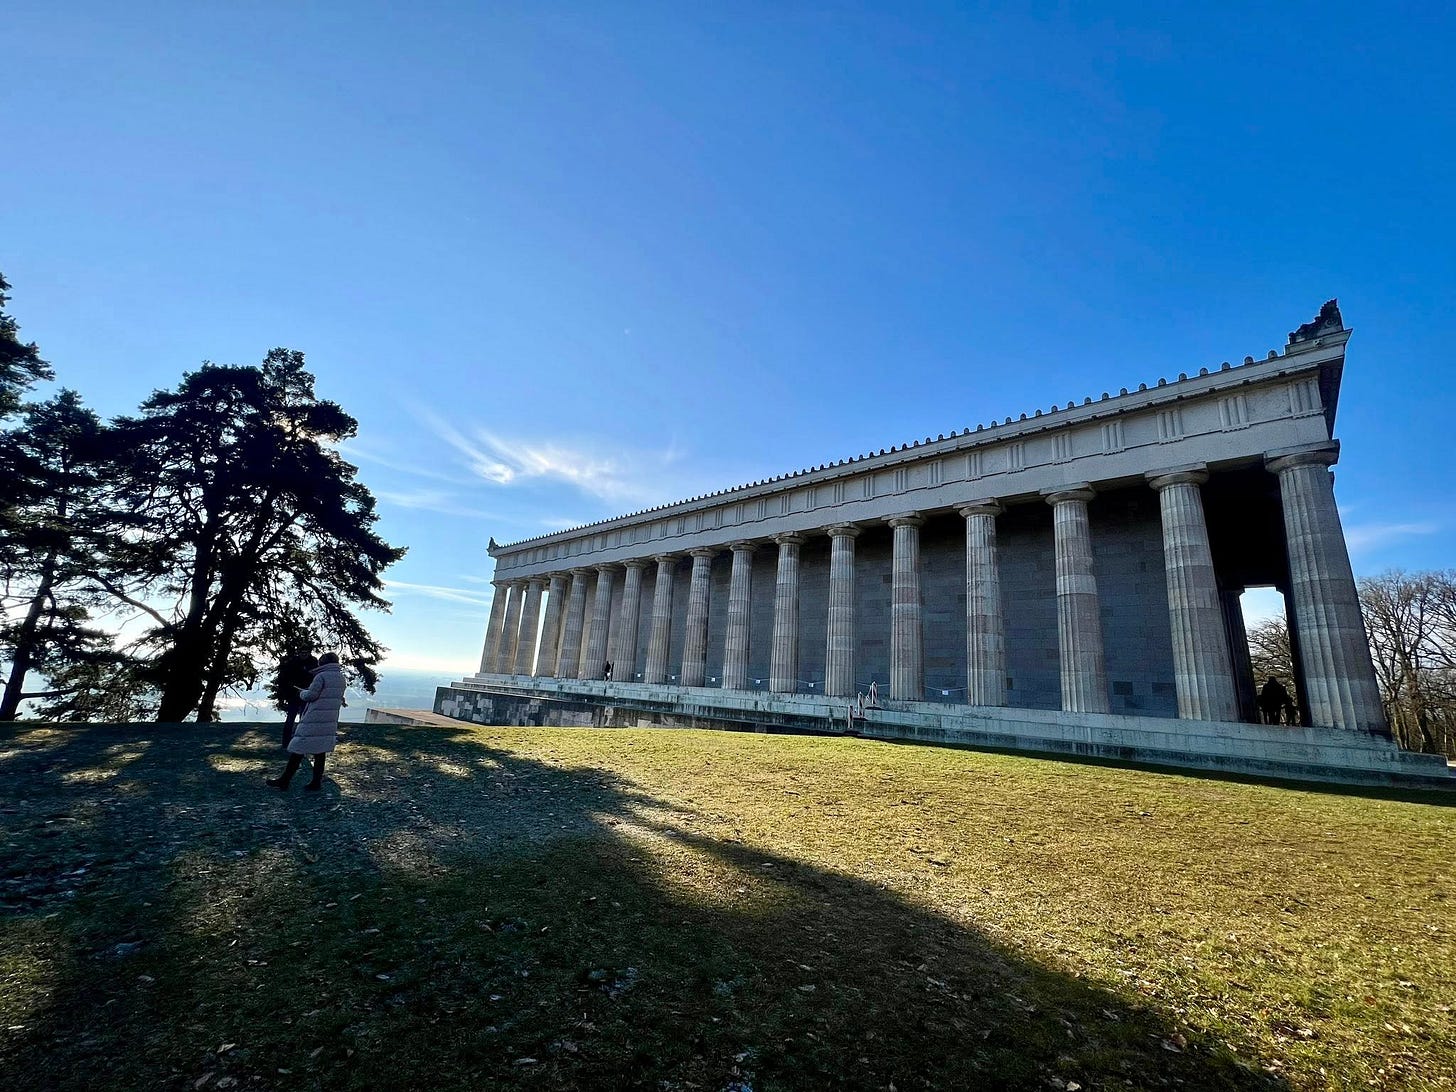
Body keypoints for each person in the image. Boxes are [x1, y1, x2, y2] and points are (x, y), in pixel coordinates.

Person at [267, 652, 346, 791]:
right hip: (329, 718)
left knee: (299, 747)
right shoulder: (340, 678)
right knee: (320, 751)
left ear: (324, 663)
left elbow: (311, 696)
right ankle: (316, 782)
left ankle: (284, 780)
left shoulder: (321, 676)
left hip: (315, 717)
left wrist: (301, 692)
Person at [270, 650, 317, 749]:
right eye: (302, 652)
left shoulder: (313, 663)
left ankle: (302, 742)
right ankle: (286, 742)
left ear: (309, 653)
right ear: (299, 653)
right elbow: (283, 679)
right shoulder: (292, 663)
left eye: (305, 652)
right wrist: (285, 694)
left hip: (307, 694)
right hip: (293, 695)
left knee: (304, 720)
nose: (303, 654)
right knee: (290, 719)